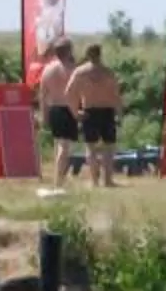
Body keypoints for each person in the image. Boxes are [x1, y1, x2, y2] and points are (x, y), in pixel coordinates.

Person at [65, 42, 120, 188]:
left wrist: (75, 111)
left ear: (88, 55)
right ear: (100, 54)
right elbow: (116, 95)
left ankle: (95, 181)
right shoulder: (108, 73)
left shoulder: (81, 72)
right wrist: (119, 113)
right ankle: (108, 180)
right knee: (109, 148)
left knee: (91, 147)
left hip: (89, 111)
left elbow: (68, 93)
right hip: (107, 110)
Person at [35, 38, 78, 183]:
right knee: (64, 146)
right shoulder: (72, 69)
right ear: (68, 51)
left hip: (54, 108)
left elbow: (42, 94)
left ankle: (59, 175)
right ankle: (59, 179)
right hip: (68, 108)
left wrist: (43, 113)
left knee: (58, 143)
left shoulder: (48, 69)